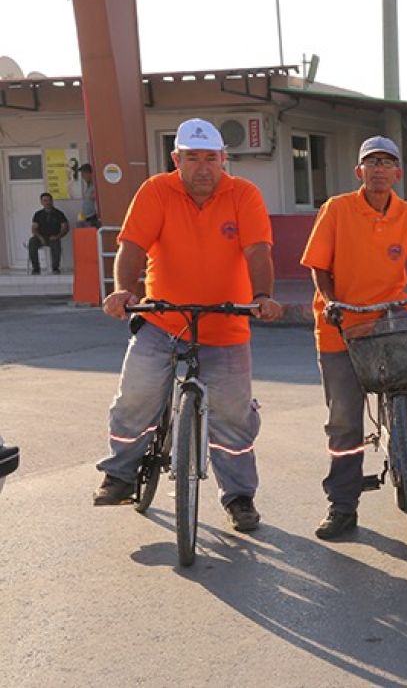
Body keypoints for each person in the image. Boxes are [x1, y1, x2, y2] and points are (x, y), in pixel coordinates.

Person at [93, 118, 283, 533]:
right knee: (137, 392)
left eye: (211, 158)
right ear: (176, 159)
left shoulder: (243, 194)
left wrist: (263, 297)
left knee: (233, 415)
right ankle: (121, 473)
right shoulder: (156, 191)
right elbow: (132, 247)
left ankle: (239, 497)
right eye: (192, 158)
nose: (202, 168)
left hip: (227, 322)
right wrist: (125, 291)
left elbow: (256, 251)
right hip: (163, 318)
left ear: (224, 160)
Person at [301, 136, 407, 541]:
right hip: (341, 325)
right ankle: (343, 506)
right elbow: (318, 266)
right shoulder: (336, 209)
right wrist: (331, 302)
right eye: (372, 162)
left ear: (398, 173)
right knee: (345, 422)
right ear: (359, 172)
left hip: (390, 321)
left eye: (387, 162)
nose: (379, 169)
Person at [29, 192, 69, 274]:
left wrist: (58, 236)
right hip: (40, 237)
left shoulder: (59, 214)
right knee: (32, 242)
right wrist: (40, 237)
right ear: (41, 202)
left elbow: (65, 228)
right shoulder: (38, 214)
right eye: (44, 200)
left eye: (48, 200)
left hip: (54, 237)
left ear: (52, 201)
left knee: (56, 245)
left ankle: (55, 268)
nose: (47, 202)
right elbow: (34, 229)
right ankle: (36, 269)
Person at [77, 163, 102, 229]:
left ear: (90, 173)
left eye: (84, 174)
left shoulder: (95, 186)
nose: (83, 176)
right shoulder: (88, 186)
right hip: (86, 218)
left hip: (93, 218)